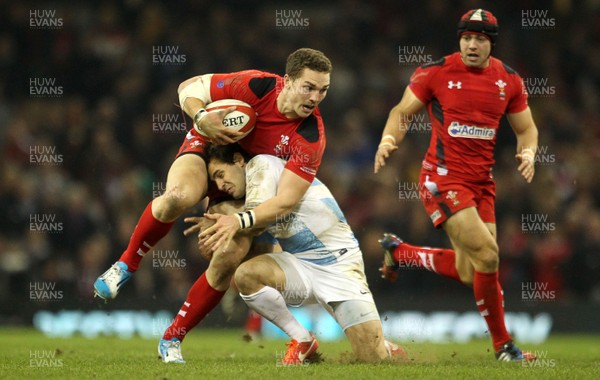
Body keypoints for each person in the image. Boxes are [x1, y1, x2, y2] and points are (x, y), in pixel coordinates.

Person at [93, 48, 332, 356]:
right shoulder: (256, 86)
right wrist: (201, 116)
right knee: (177, 198)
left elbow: (286, 200)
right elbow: (188, 89)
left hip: (245, 185)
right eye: (308, 87)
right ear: (287, 81)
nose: (314, 98)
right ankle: (126, 264)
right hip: (209, 146)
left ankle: (171, 339)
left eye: (323, 90)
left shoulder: (311, 136)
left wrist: (239, 221)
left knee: (229, 256)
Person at [374, 9, 538, 362]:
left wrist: (529, 153)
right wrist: (389, 140)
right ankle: (504, 347)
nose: (472, 44)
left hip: (482, 184)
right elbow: (402, 112)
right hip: (442, 179)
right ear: (459, 40)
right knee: (490, 256)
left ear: (491, 43)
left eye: (480, 39)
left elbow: (526, 129)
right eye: (466, 37)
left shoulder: (509, 80)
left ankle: (401, 253)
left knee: (471, 270)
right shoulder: (435, 72)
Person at [172, 144, 406, 365]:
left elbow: (255, 218)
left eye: (221, 174)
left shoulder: (262, 165)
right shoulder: (251, 196)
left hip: (338, 265)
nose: (221, 185)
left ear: (239, 160)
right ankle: (303, 340)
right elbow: (258, 251)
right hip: (300, 264)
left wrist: (224, 222)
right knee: (246, 275)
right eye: (215, 180)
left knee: (373, 359)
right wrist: (215, 245)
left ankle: (384, 347)